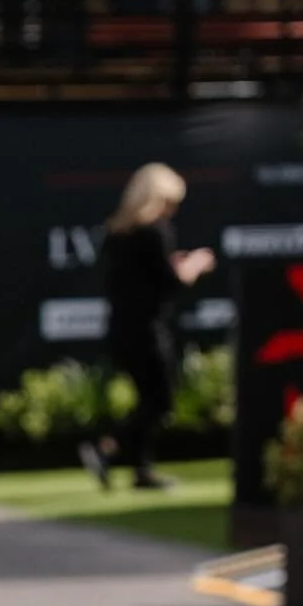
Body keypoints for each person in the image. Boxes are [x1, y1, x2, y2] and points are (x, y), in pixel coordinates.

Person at [87, 161, 216, 491]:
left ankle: (140, 469)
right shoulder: (155, 231)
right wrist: (196, 263)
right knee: (160, 400)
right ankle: (108, 449)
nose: (171, 211)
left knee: (149, 399)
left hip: (122, 328)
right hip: (146, 328)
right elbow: (171, 280)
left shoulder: (118, 232)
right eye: (170, 203)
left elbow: (141, 277)